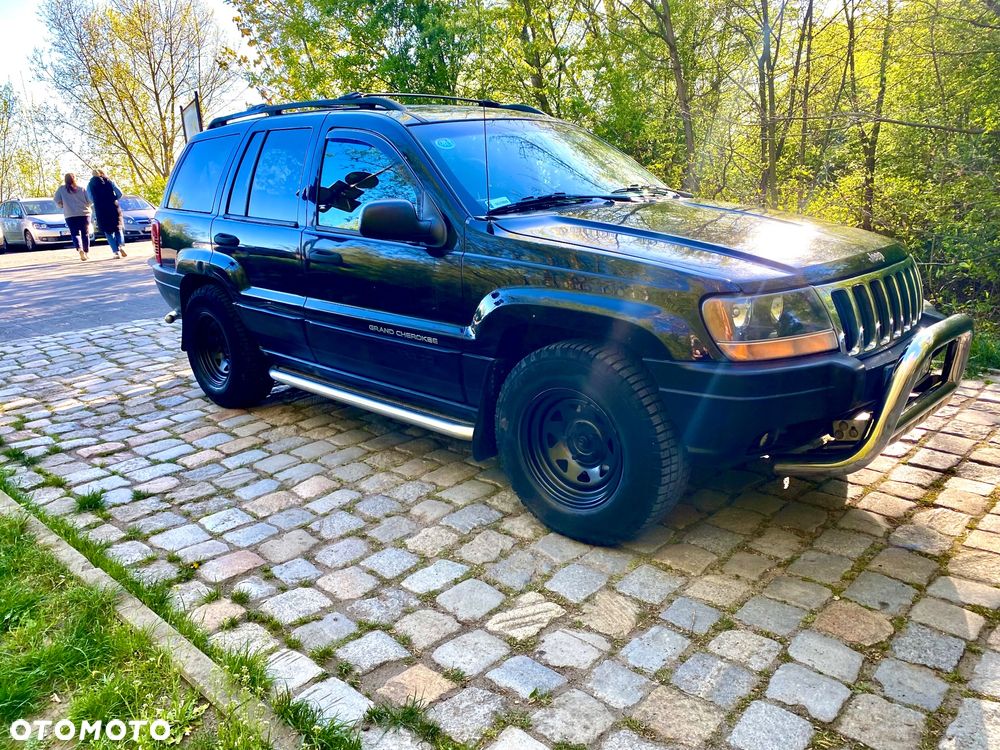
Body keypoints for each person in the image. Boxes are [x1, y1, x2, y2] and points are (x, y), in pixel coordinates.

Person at [86, 169, 128, 259]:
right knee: (118, 228)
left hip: (101, 209)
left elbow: (90, 198)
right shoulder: (109, 181)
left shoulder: (90, 185)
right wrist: (113, 198)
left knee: (108, 231)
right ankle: (121, 246)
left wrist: (98, 202)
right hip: (113, 206)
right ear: (102, 173)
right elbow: (119, 193)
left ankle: (116, 252)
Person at [54, 173, 93, 261]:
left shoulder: (61, 189)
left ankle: (80, 249)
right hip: (84, 214)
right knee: (85, 233)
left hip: (70, 214)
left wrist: (62, 205)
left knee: (75, 233)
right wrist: (87, 205)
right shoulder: (81, 189)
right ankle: (86, 252)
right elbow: (90, 200)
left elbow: (56, 199)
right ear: (74, 178)